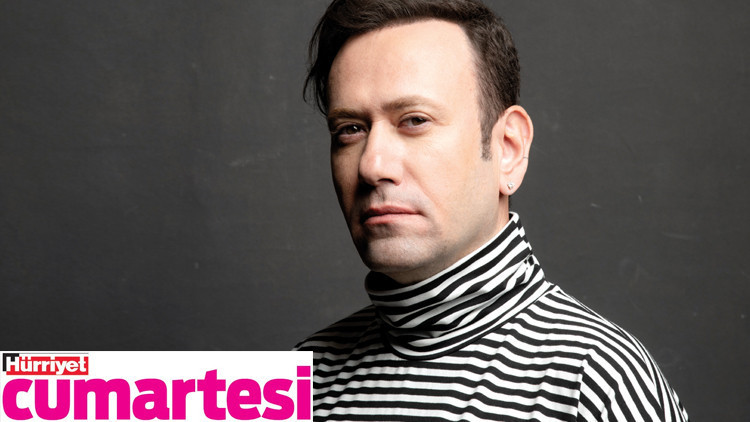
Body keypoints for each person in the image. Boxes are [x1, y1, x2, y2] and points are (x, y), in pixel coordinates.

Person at [295, 0, 690, 420]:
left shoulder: (597, 382)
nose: (372, 166)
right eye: (350, 129)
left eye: (414, 120)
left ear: (508, 149)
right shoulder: (292, 378)